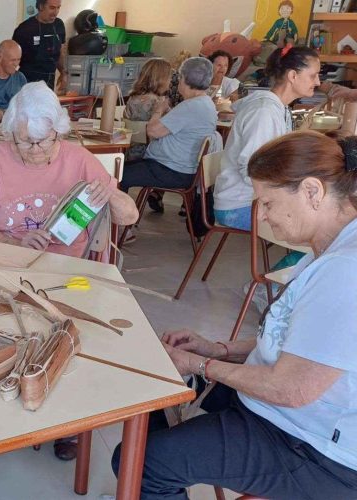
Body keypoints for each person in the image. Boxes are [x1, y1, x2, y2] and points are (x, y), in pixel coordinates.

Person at [111, 130, 357, 499]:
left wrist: (198, 365)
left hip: (314, 447)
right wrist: (217, 350)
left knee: (140, 463)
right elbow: (297, 343)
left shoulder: (344, 270)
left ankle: (148, 481)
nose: (264, 217)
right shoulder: (327, 250)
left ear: (312, 192)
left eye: (268, 203)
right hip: (284, 412)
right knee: (153, 387)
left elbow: (291, 388)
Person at [0, 82, 138, 258]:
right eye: (25, 141)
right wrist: (16, 245)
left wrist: (108, 194)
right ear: (11, 133)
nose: (35, 149)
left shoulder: (79, 159)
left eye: (44, 140)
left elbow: (129, 217)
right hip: (7, 259)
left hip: (67, 265)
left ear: (58, 132)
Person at [214, 45, 320, 230]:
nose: (318, 82)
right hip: (241, 205)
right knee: (321, 228)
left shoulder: (279, 108)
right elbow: (252, 169)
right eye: (313, 75)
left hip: (257, 199)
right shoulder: (263, 112)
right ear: (293, 76)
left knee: (327, 219)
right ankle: (296, 261)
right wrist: (290, 191)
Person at [119, 57, 218, 214]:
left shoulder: (190, 106)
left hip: (171, 171)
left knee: (116, 174)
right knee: (122, 169)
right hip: (182, 168)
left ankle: (119, 225)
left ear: (184, 79)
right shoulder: (206, 103)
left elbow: (152, 131)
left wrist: (159, 109)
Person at [124, 58, 173, 162]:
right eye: (169, 77)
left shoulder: (132, 98)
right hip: (151, 154)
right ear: (162, 79)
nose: (170, 81)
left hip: (131, 152)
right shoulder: (158, 102)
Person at [13, 0, 67, 92]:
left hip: (49, 79)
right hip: (28, 80)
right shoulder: (24, 29)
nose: (56, 12)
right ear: (41, 6)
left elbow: (60, 52)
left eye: (58, 7)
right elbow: (13, 58)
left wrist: (63, 73)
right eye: (52, 8)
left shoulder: (59, 25)